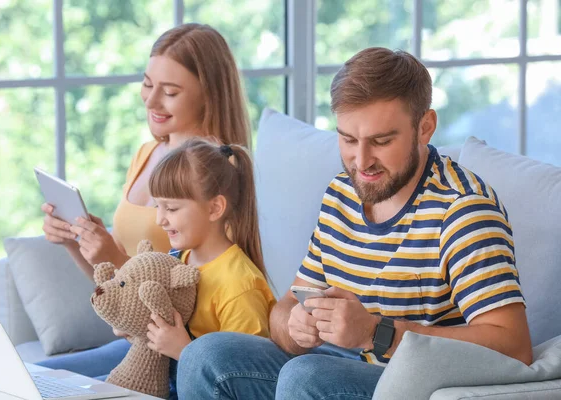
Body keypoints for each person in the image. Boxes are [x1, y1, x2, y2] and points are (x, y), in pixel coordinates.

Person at [176, 47, 533, 399]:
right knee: (205, 356)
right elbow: (285, 308)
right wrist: (295, 325)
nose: (361, 161)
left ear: (425, 127)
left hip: (412, 386)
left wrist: (378, 334)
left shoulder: (462, 212)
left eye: (381, 141)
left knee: (307, 377)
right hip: (328, 369)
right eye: (348, 139)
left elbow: (514, 348)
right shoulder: (341, 194)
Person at [37, 23, 251, 378]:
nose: (151, 101)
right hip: (136, 337)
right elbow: (116, 279)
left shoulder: (221, 171)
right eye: (148, 84)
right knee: (33, 374)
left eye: (169, 91)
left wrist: (111, 255)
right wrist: (77, 241)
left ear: (208, 94)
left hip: (174, 345)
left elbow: (203, 288)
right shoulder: (147, 154)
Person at [146, 138, 276, 397]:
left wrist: (183, 351)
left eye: (171, 208)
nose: (160, 219)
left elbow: (241, 377)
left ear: (215, 208)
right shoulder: (177, 258)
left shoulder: (240, 284)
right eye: (157, 206)